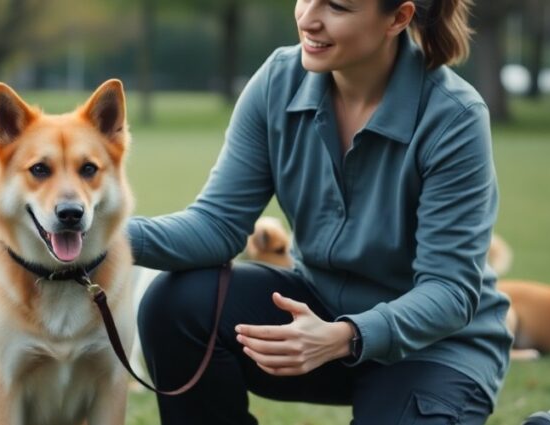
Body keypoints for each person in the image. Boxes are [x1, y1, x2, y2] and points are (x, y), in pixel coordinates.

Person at [128, 0, 511, 423]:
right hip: (314, 316)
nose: (308, 18)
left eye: (338, 7)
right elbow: (217, 225)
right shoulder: (278, 81)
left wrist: (345, 336)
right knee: (176, 303)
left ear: (399, 18)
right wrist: (101, 240)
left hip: (434, 349)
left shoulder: (454, 116)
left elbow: (449, 291)